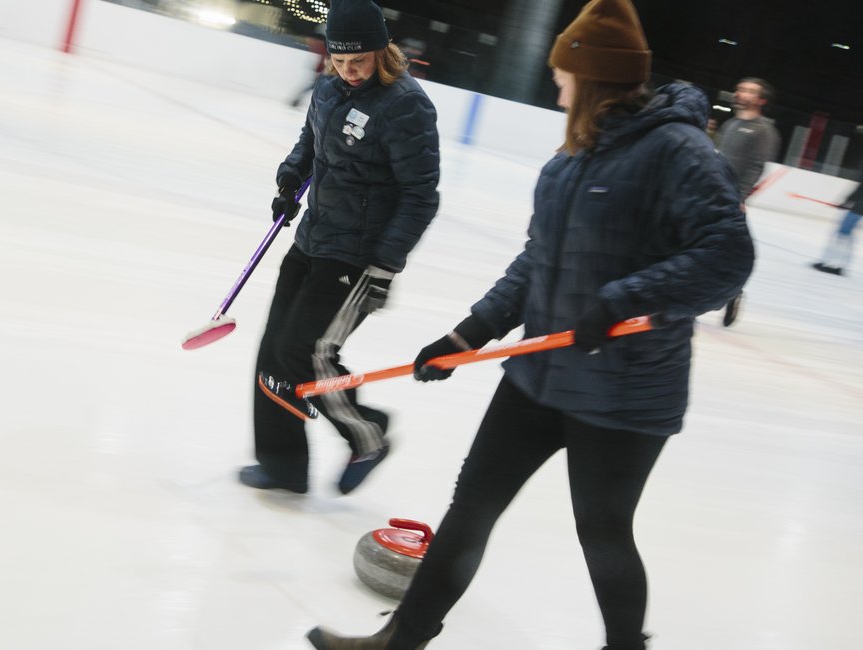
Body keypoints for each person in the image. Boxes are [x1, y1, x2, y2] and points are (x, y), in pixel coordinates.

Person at [305, 0, 753, 648]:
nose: (556, 84)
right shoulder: (571, 156)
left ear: (593, 76)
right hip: (539, 373)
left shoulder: (677, 151)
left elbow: (728, 257)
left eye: (564, 73)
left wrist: (626, 298)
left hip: (624, 392)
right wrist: (468, 335)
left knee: (602, 530)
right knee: (471, 507)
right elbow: (536, 261)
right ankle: (402, 639)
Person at [241, 0, 440, 496]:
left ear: (382, 50)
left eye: (359, 61)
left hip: (357, 256)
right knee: (273, 352)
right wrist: (289, 180)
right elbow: (309, 142)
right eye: (339, 60)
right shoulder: (329, 88)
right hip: (313, 238)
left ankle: (367, 433)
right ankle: (283, 467)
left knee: (307, 353)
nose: (348, 71)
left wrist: (386, 266)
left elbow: (421, 195)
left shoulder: (405, 105)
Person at [716, 76, 780, 326]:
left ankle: (734, 292)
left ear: (761, 100)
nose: (741, 93)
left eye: (749, 91)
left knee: (726, 252)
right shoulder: (730, 124)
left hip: (732, 199)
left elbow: (756, 167)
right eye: (740, 88)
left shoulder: (764, 130)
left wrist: (740, 197)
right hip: (712, 192)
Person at [812, 180, 863, 276]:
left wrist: (847, 202)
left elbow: (860, 189)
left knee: (843, 235)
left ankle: (835, 265)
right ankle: (836, 264)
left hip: (858, 208)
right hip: (858, 207)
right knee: (846, 235)